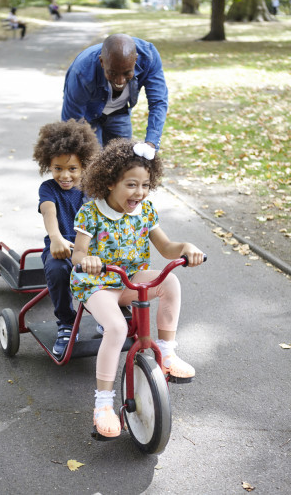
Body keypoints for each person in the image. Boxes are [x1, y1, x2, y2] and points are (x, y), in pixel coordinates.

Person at [71, 139, 205, 439]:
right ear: (109, 183)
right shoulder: (90, 214)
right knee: (117, 329)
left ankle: (167, 354)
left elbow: (168, 247)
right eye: (131, 185)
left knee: (169, 280)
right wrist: (88, 259)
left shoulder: (145, 211)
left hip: (130, 277)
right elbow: (77, 253)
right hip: (98, 282)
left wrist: (186, 247)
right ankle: (103, 404)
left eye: (145, 185)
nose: (139, 193)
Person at [33, 119, 99, 356]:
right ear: (48, 165)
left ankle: (105, 313)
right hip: (59, 245)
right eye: (57, 168)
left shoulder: (91, 190)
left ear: (84, 166)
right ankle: (67, 323)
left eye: (72, 169)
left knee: (111, 267)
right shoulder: (48, 188)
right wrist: (56, 237)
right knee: (58, 270)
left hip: (90, 247)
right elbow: (48, 210)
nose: (65, 175)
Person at [61, 33, 168, 151]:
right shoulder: (81, 71)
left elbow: (158, 102)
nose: (120, 81)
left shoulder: (149, 57)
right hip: (87, 117)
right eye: (112, 73)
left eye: (127, 73)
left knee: (123, 162)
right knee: (91, 162)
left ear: (135, 60)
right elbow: (72, 122)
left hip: (119, 113)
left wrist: (151, 144)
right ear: (102, 62)